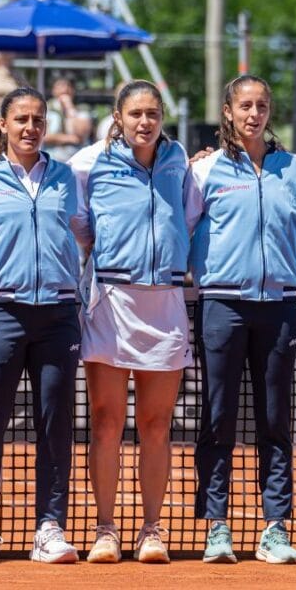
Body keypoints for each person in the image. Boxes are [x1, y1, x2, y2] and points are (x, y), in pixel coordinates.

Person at [185, 75, 296, 564]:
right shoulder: (204, 171)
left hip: (280, 307)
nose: (253, 113)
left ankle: (275, 528)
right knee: (218, 418)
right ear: (228, 111)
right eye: (245, 105)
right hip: (221, 305)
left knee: (275, 421)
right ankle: (216, 527)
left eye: (262, 105)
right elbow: (179, 229)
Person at [0, 86, 81, 565]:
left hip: (59, 316)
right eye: (21, 119)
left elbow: (86, 231)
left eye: (38, 120)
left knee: (55, 424)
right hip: (0, 314)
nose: (30, 128)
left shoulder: (67, 177)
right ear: (3, 124)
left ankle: (50, 526)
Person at [68, 80, 192, 564]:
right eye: (136, 113)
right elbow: (79, 221)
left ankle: (151, 530)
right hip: (110, 301)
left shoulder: (181, 161)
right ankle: (105, 528)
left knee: (157, 425)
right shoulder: (87, 163)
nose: (145, 122)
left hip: (165, 300)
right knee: (105, 421)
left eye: (153, 113)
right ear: (118, 118)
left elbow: (191, 213)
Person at [43, 77, 92, 162]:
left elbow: (82, 134)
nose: (65, 89)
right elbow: (43, 136)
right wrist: (68, 138)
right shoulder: (45, 109)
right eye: (60, 86)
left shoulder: (82, 110)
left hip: (77, 158)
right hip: (53, 157)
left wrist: (69, 108)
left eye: (68, 86)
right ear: (53, 91)